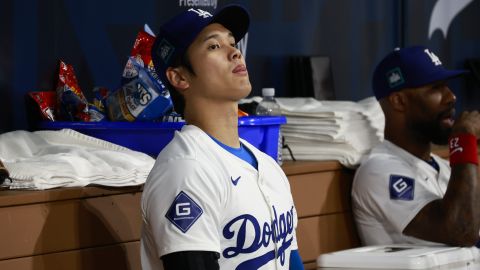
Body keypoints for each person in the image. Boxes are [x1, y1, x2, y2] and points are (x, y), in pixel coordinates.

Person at [141, 5, 304, 270]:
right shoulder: (185, 169)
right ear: (179, 76)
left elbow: (291, 261)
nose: (235, 52)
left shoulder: (267, 165)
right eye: (214, 47)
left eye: (232, 42)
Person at [352, 45, 480, 246]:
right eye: (436, 88)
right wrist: (463, 141)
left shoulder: (445, 167)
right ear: (399, 101)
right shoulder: (378, 170)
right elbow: (460, 232)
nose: (451, 97)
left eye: (447, 86)